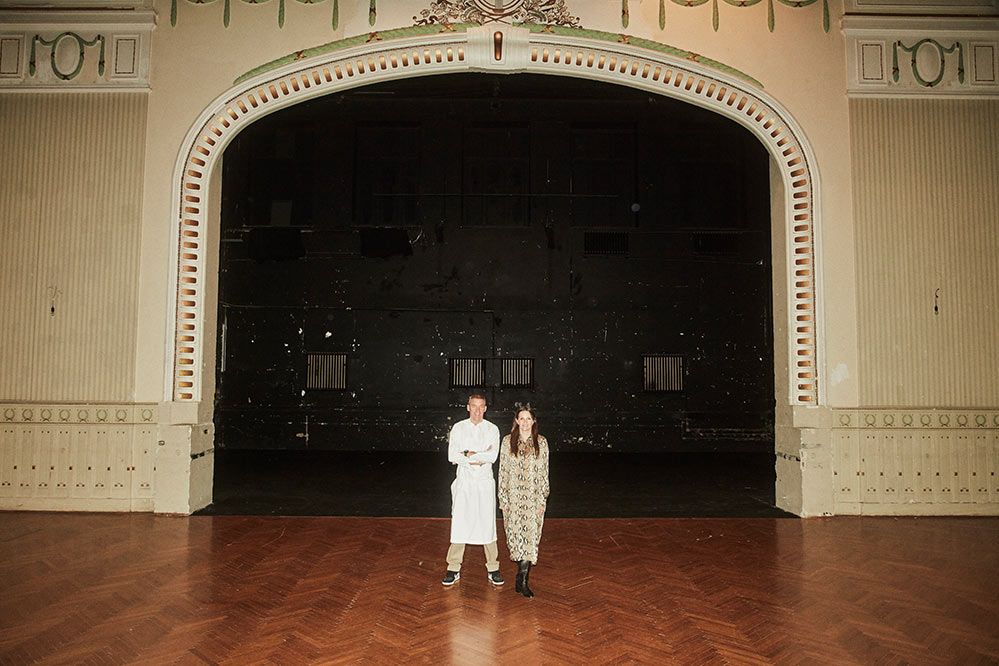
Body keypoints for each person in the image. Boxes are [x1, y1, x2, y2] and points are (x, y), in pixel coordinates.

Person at [442, 393, 504, 587]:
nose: (477, 410)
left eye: (481, 406)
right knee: (460, 522)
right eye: (474, 406)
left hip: (484, 483)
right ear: (468, 407)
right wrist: (477, 455)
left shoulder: (492, 429)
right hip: (465, 483)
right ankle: (453, 568)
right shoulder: (458, 428)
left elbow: (492, 456)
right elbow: (452, 455)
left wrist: (468, 452)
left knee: (487, 523)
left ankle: (493, 568)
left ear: (485, 408)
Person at [498, 403, 549, 598]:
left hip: (533, 499)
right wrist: (503, 498)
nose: (525, 422)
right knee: (516, 538)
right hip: (513, 498)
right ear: (517, 421)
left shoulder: (541, 442)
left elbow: (545, 472)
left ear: (533, 421)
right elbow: (502, 471)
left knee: (531, 539)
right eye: (522, 419)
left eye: (529, 419)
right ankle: (521, 574)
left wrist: (542, 500)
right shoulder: (507, 441)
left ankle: (523, 578)